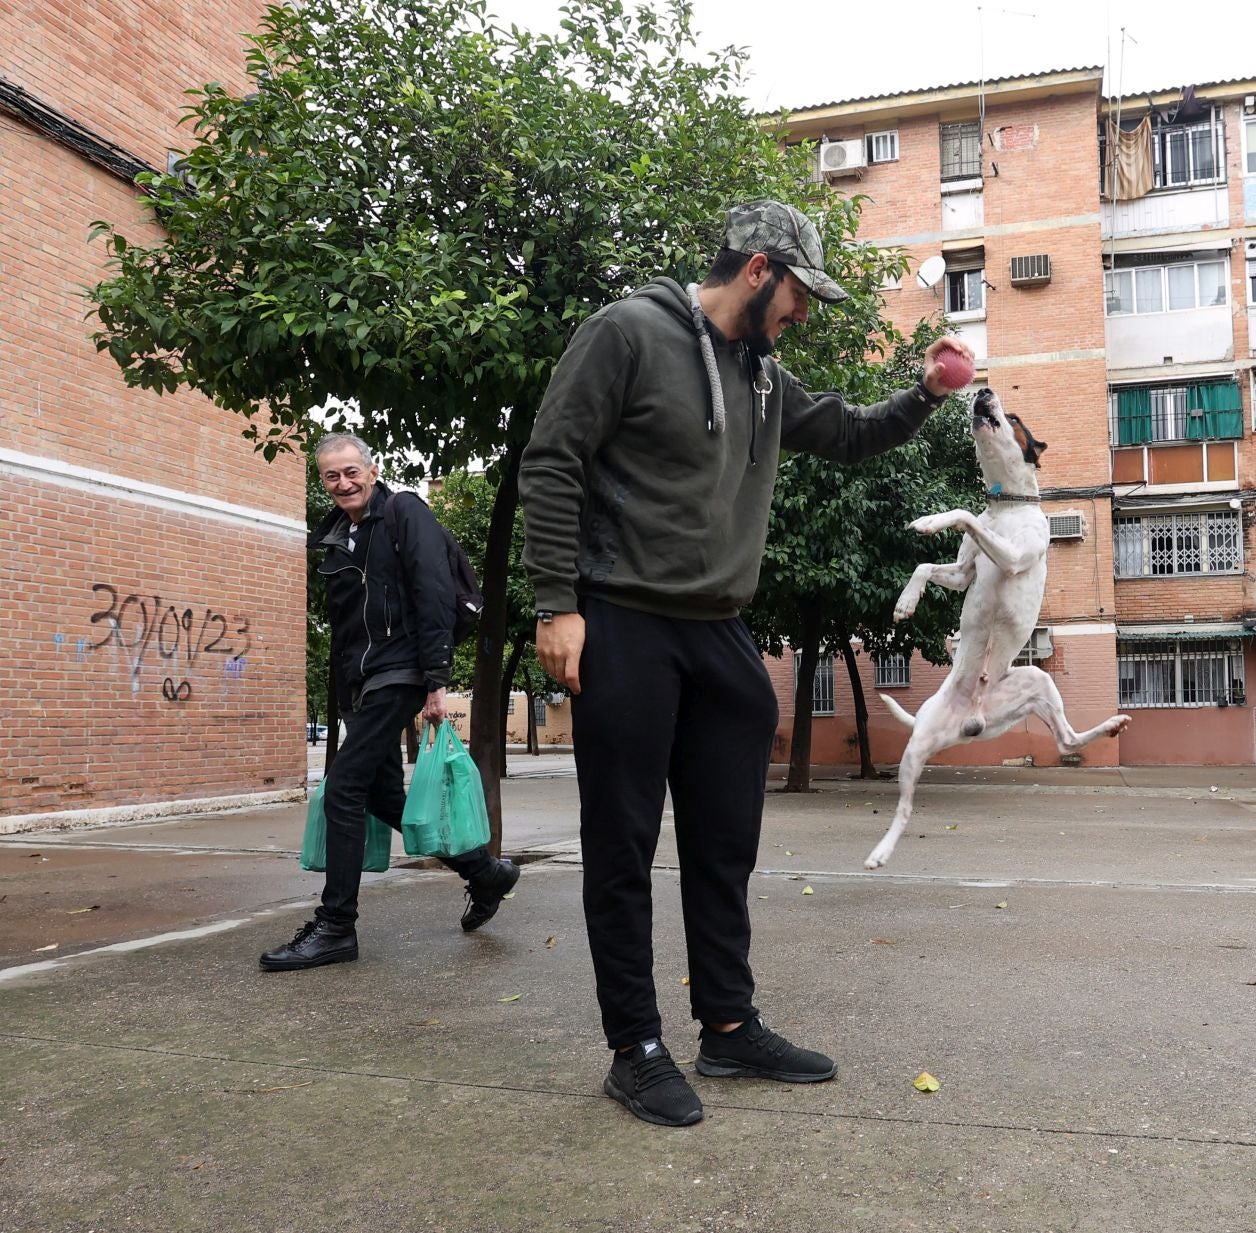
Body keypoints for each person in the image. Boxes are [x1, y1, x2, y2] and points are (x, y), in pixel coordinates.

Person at [520, 200, 974, 1127]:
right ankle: (634, 1048)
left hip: (719, 626)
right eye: (800, 293)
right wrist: (555, 604)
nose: (803, 313)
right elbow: (552, 458)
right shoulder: (628, 333)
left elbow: (847, 433)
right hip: (624, 618)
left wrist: (926, 393)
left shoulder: (761, 375)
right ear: (760, 269)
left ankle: (727, 1025)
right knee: (622, 844)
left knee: (725, 842)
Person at [262, 433, 521, 971]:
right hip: (363, 684)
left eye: (351, 471)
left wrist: (436, 679)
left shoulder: (405, 512)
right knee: (380, 796)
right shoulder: (337, 536)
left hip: (401, 670)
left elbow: (433, 592)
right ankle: (484, 872)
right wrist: (344, 698)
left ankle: (336, 926)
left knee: (343, 788)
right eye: (331, 476)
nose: (343, 483)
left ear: (372, 470)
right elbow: (344, 628)